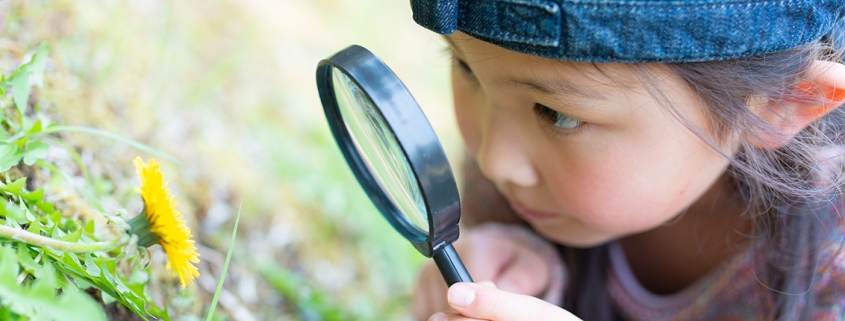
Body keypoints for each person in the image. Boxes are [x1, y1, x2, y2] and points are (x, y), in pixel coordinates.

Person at [408, 0, 845, 320]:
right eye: (466, 68)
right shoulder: (514, 151)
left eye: (558, 115)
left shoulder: (833, 269)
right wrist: (519, 268)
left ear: (782, 103)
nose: (492, 160)